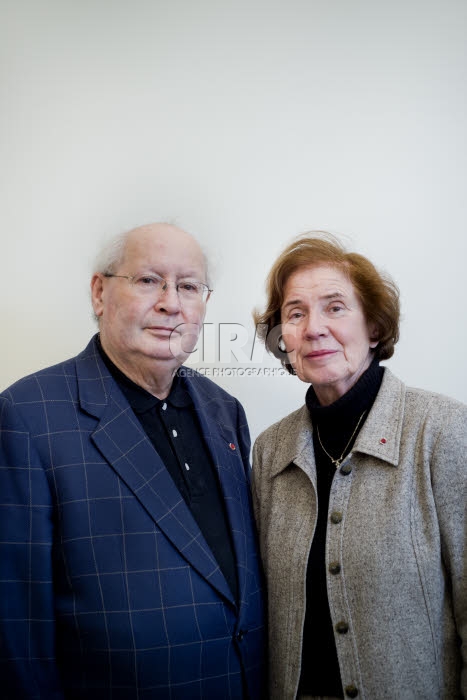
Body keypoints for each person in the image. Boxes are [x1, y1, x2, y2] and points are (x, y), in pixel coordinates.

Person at [0, 223, 266, 699]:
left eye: (188, 286)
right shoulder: (27, 413)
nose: (171, 302)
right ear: (100, 292)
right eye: (148, 280)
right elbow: (15, 622)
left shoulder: (226, 412)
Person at [251, 233, 466, 700]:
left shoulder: (443, 430)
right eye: (295, 313)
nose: (313, 328)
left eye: (335, 307)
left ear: (373, 327)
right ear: (283, 339)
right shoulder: (269, 452)